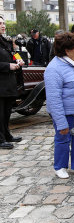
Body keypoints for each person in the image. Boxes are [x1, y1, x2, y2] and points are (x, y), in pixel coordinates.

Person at [44, 32, 74, 178]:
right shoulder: (54, 68)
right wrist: (60, 121)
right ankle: (60, 166)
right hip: (65, 112)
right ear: (67, 51)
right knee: (63, 139)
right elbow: (53, 98)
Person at [0, 16, 24, 150]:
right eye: (0, 24)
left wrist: (18, 61)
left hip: (9, 83)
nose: (3, 26)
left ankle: (7, 134)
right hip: (1, 84)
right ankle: (0, 138)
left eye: (3, 23)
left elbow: (13, 54)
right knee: (0, 113)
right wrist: (7, 66)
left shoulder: (6, 41)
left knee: (7, 111)